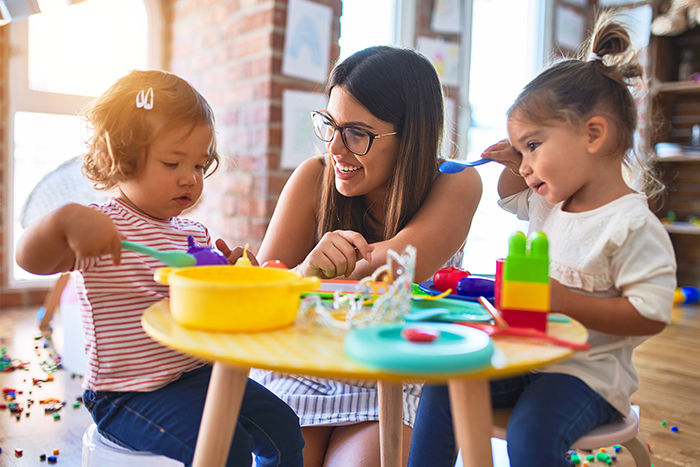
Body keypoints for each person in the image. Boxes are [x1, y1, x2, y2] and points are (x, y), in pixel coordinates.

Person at [407, 14, 677, 467]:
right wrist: (516, 160)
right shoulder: (550, 203)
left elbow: (650, 315)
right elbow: (509, 193)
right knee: (444, 381)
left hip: (589, 376)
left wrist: (564, 301)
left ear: (593, 134)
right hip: (527, 358)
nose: (525, 164)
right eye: (521, 150)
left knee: (529, 429)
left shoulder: (631, 224)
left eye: (533, 145)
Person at [15, 70, 304, 467]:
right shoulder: (100, 227)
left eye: (201, 166)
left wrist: (239, 275)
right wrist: (62, 221)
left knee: (286, 429)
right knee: (228, 450)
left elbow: (217, 305)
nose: (190, 177)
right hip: (128, 395)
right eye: (172, 162)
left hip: (199, 377)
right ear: (122, 157)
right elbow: (29, 259)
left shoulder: (194, 234)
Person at [251, 46, 482, 467]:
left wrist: (322, 273)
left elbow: (409, 258)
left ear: (410, 135)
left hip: (395, 371)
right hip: (305, 364)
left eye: (357, 133)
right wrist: (306, 269)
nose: (337, 147)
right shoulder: (311, 178)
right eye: (331, 125)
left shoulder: (456, 181)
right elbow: (263, 290)